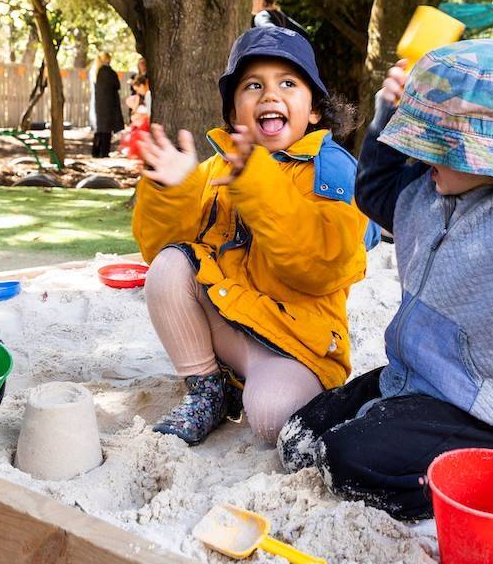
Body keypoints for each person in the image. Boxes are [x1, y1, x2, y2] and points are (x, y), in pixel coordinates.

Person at [278, 40, 493, 522]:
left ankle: (472, 474)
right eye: (418, 141)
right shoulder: (424, 190)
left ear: (484, 157)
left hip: (475, 406)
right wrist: (385, 118)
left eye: (439, 146)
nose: (422, 154)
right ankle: (407, 443)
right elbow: (372, 195)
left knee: (343, 459)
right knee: (299, 435)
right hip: (409, 378)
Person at [133, 26, 368, 446]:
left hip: (292, 342)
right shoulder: (214, 172)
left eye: (289, 83)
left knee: (272, 418)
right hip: (227, 323)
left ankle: (262, 388)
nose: (269, 95)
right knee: (170, 267)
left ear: (314, 110)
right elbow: (163, 250)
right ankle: (208, 389)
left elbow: (321, 268)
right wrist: (174, 191)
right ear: (233, 114)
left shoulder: (331, 172)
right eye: (253, 85)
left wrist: (258, 183)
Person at [90, 52, 124, 159]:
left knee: (99, 129)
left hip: (98, 104)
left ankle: (95, 152)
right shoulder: (109, 72)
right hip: (109, 104)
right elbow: (117, 85)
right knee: (106, 130)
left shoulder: (95, 72)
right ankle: (104, 152)